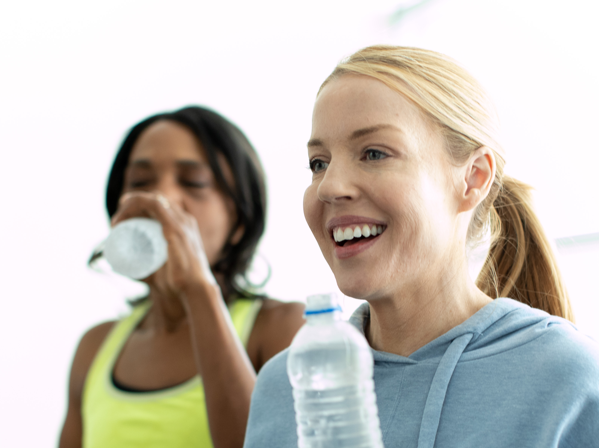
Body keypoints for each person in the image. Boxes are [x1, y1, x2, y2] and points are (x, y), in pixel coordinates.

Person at [243, 46, 599, 448]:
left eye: (374, 153)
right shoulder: (282, 386)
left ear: (473, 178)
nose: (329, 187)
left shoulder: (568, 380)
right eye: (318, 163)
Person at [58, 106, 305, 448]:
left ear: (240, 222)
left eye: (193, 182)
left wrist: (198, 288)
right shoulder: (94, 349)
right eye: (140, 183)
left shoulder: (283, 329)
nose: (159, 199)